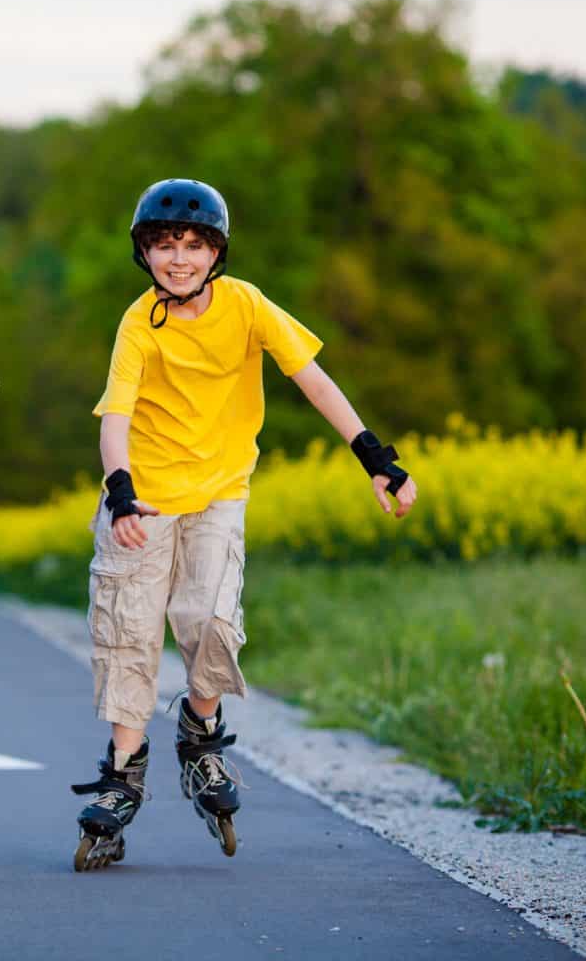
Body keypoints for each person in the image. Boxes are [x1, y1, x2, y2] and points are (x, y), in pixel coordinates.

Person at [71, 178, 419, 870]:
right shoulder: (139, 322)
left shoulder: (246, 305)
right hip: (142, 500)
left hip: (218, 494)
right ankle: (124, 769)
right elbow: (115, 416)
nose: (179, 259)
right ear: (145, 252)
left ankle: (200, 738)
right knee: (128, 630)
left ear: (216, 253)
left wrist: (373, 455)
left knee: (210, 620)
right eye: (165, 246)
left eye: (194, 246)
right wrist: (119, 490)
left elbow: (312, 379)